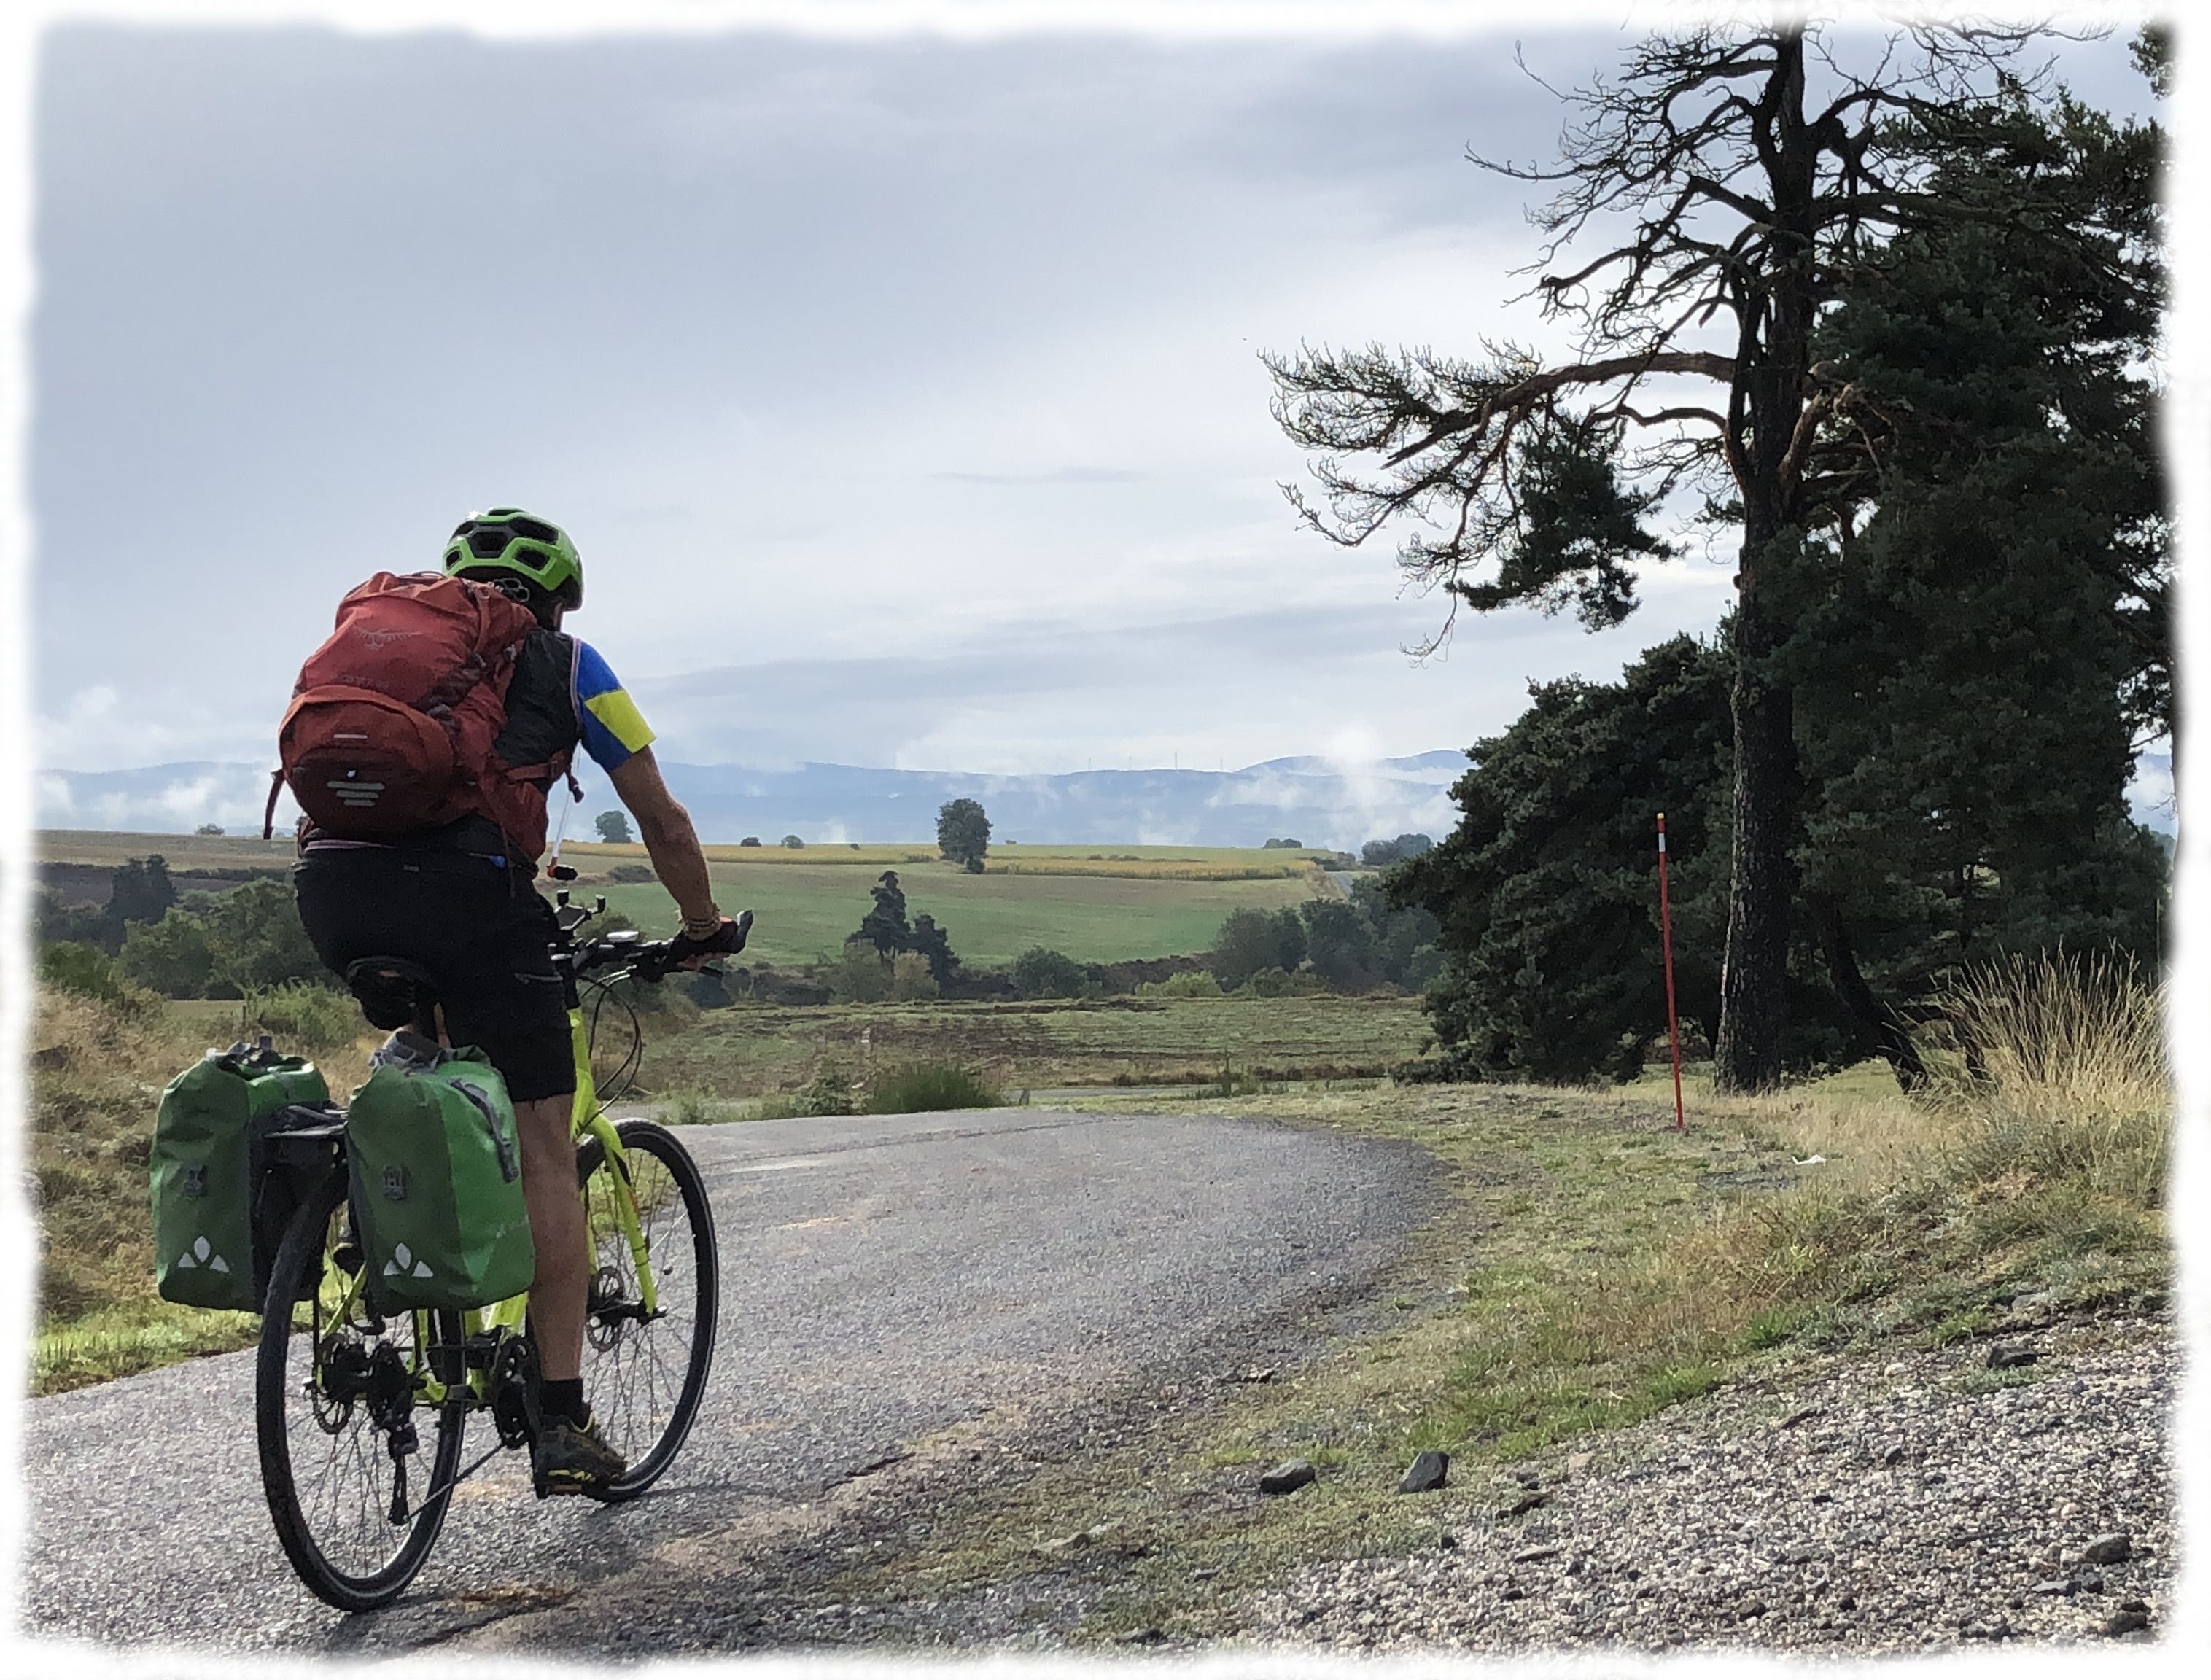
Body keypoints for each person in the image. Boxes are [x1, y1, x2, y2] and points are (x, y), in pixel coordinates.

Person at [291, 508, 740, 1495]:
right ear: (555, 594)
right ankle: (563, 1418)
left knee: (425, 1068)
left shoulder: (374, 646)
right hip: (468, 898)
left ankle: (375, 1259)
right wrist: (701, 924)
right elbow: (659, 811)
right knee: (545, 1143)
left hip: (333, 891)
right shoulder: (569, 663)